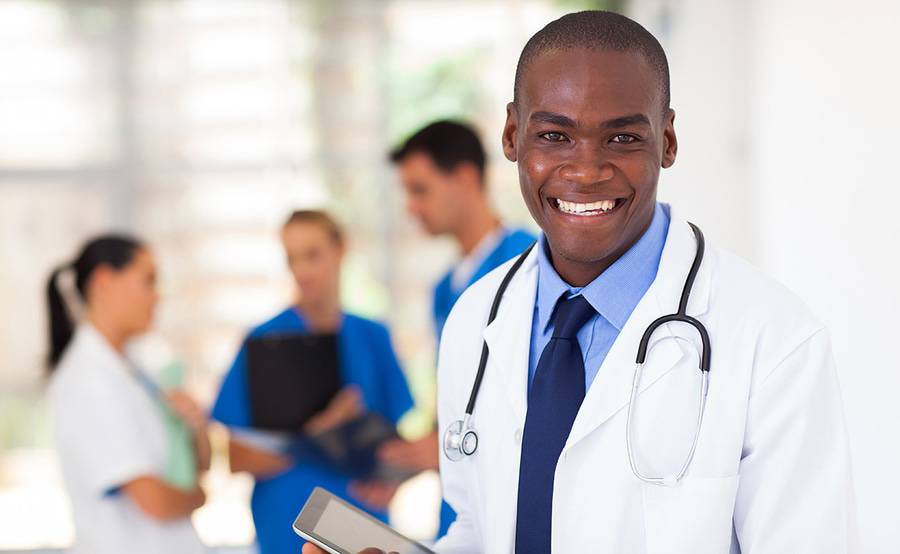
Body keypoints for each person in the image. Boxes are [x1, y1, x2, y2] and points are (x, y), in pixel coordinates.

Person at [308, 9, 857, 554]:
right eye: (554, 135)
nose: (587, 170)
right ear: (511, 134)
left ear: (666, 140)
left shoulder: (775, 341)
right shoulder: (476, 319)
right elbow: (482, 531)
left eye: (621, 139)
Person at [211, 210, 415, 554]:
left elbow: (395, 446)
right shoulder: (264, 343)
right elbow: (238, 458)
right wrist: (320, 433)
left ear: (341, 250)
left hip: (363, 528)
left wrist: (391, 479)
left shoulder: (373, 336)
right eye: (292, 259)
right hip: (287, 527)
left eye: (312, 255)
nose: (302, 271)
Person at [379, 120, 535, 537]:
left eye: (419, 189)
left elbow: (540, 405)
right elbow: (453, 409)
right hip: (460, 512)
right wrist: (406, 465)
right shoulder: (443, 291)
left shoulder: (532, 266)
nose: (410, 206)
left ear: (465, 177)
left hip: (516, 510)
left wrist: (447, 450)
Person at [46, 235, 209, 554]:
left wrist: (196, 426)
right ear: (105, 281)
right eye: (148, 281)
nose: (157, 297)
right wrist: (200, 497)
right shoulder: (88, 381)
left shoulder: (136, 371)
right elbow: (156, 502)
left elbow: (192, 465)